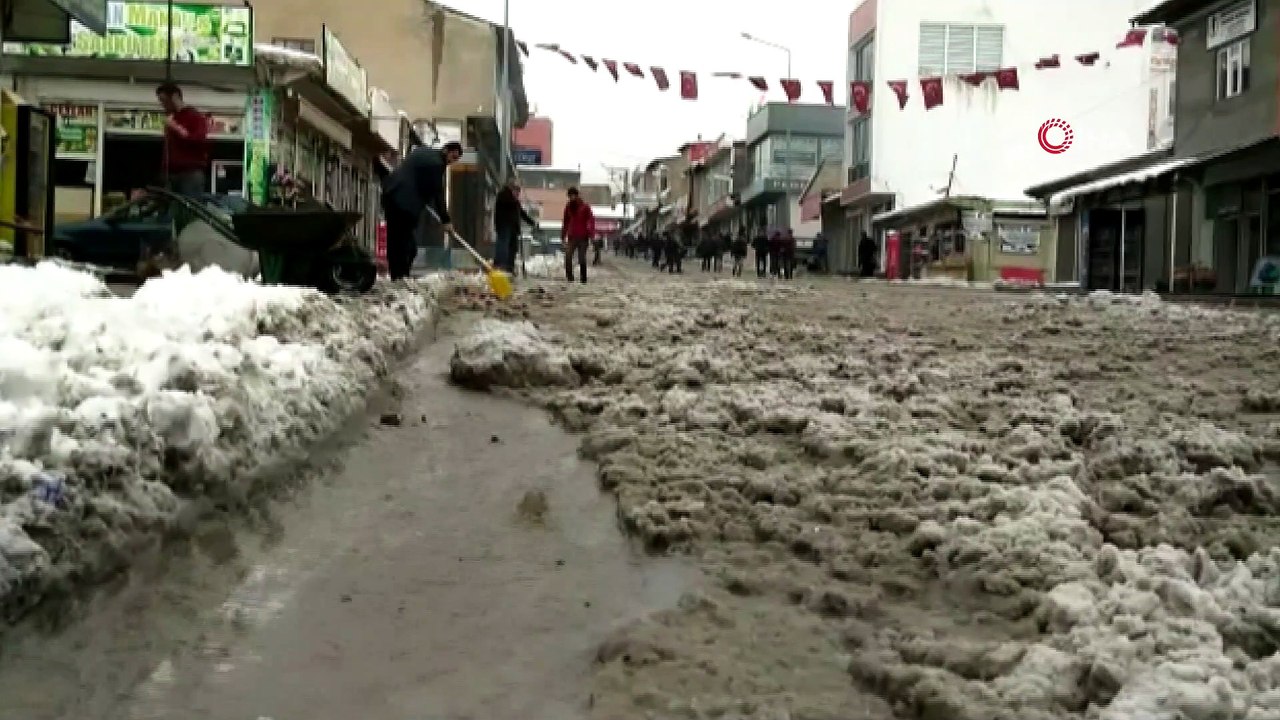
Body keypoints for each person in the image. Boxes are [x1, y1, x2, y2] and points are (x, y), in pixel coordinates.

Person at [381, 140, 463, 280]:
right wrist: (446, 220)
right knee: (405, 246)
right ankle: (400, 277)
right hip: (404, 204)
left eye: (455, 160)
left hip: (391, 196)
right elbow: (437, 192)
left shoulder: (422, 151)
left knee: (396, 241)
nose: (452, 162)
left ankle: (398, 277)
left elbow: (421, 181)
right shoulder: (437, 163)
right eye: (453, 157)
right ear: (446, 150)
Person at [156, 82, 209, 196]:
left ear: (175, 96)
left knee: (188, 205)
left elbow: (198, 140)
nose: (163, 105)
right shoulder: (172, 117)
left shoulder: (195, 117)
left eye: (164, 100)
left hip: (190, 172)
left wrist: (176, 127)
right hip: (170, 173)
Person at [493, 177, 536, 274]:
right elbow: (509, 204)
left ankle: (509, 266)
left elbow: (521, 213)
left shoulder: (514, 200)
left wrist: (531, 222)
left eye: (518, 192)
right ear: (511, 188)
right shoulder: (503, 195)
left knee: (513, 248)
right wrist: (515, 199)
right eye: (516, 191)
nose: (518, 194)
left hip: (513, 227)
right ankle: (500, 265)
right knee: (503, 245)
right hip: (504, 225)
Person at [562, 187, 595, 283]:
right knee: (568, 256)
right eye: (570, 196)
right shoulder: (568, 207)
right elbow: (565, 222)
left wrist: (591, 234)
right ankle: (570, 278)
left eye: (573, 195)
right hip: (572, 236)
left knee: (581, 258)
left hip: (583, 237)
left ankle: (583, 278)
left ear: (577, 196)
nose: (572, 197)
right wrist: (563, 236)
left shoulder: (585, 207)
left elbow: (591, 220)